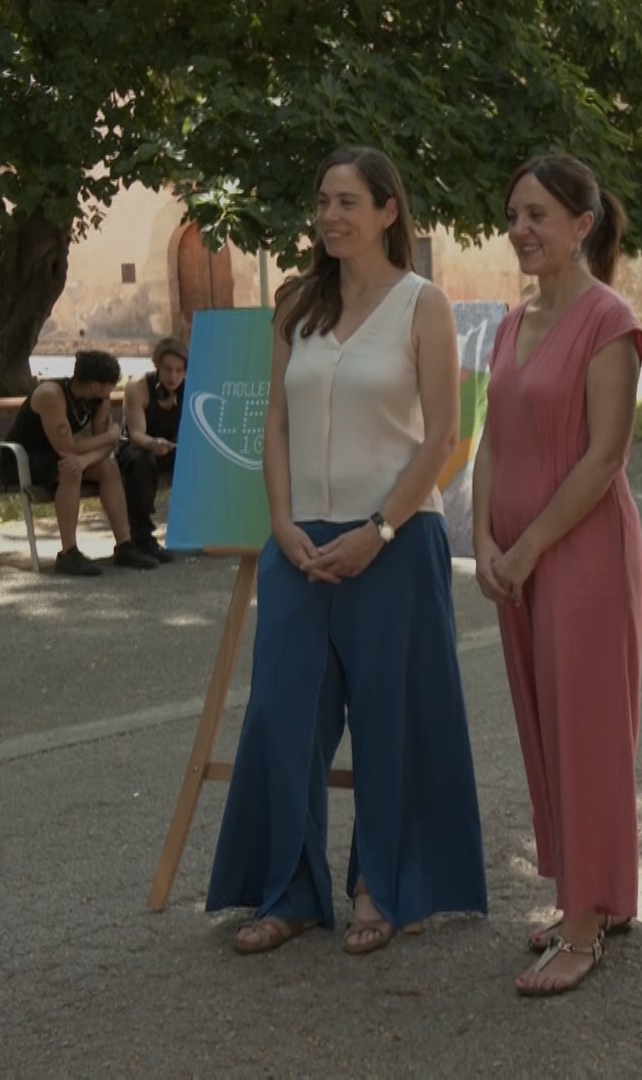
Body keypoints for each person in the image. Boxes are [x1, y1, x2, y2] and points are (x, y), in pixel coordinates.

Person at [203, 146, 488, 956]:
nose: (330, 216)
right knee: (281, 715)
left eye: (348, 202)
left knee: (392, 721)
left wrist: (380, 531)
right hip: (298, 544)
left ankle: (381, 888)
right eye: (323, 201)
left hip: (396, 540)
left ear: (388, 211)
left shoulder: (423, 304)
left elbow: (442, 435)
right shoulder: (296, 305)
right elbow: (277, 426)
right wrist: (281, 521)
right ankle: (288, 892)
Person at [472, 154, 642, 996]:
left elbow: (605, 456)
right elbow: (491, 439)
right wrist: (481, 537)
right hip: (517, 558)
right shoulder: (513, 322)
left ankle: (583, 928)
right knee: (548, 729)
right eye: (514, 215)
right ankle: (593, 895)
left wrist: (529, 546)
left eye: (537, 215)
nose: (520, 230)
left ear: (582, 225)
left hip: (579, 556)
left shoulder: (608, 320)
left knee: (586, 733)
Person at [1, 349, 160, 576]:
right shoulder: (51, 395)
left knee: (108, 468)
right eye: (110, 385)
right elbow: (67, 447)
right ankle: (69, 553)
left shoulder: (99, 400)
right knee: (71, 469)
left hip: (58, 455)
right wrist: (108, 437)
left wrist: (87, 459)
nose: (112, 391)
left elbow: (106, 449)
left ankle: (125, 546)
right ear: (95, 386)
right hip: (23, 459)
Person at [116, 336, 186, 563]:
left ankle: (204, 529)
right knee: (141, 460)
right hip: (137, 448)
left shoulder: (190, 387)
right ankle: (142, 537)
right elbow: (136, 434)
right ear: (157, 366)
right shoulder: (138, 387)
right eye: (167, 369)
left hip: (171, 448)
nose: (173, 376)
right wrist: (154, 444)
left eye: (179, 370)